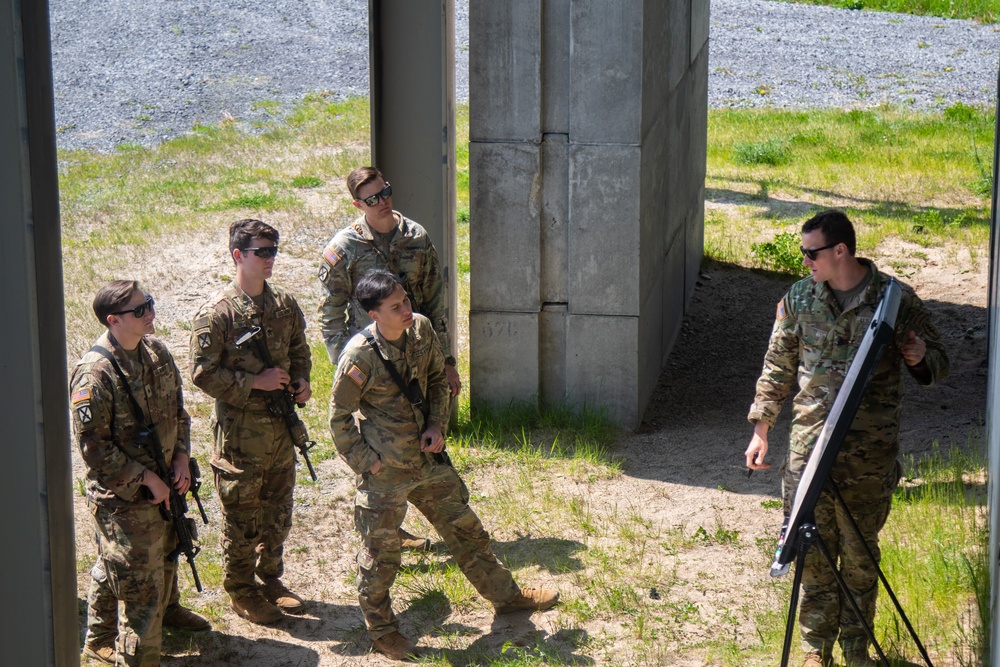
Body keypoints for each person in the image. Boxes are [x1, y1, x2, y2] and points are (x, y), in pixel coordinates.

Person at [744, 210, 949, 667]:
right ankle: (815, 653)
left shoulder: (893, 300)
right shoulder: (800, 297)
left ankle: (857, 652)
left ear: (841, 250)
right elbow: (777, 366)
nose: (804, 262)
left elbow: (939, 362)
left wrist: (918, 356)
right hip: (809, 451)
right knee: (811, 553)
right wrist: (762, 430)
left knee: (860, 559)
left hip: (867, 455)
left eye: (810, 253)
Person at [329, 269, 559, 661]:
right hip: (387, 474)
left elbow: (438, 379)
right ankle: (383, 633)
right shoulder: (359, 356)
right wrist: (368, 464)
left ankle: (508, 598)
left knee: (467, 530)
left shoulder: (419, 329)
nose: (406, 309)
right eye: (395, 306)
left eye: (405, 299)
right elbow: (338, 417)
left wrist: (438, 424)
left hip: (428, 461)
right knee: (380, 557)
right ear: (374, 315)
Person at [318, 165, 460, 551]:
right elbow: (331, 316)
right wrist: (348, 369)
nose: (382, 202)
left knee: (417, 437)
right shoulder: (344, 248)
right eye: (371, 198)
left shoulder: (416, 236)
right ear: (357, 204)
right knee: (380, 449)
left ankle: (405, 518)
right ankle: (383, 527)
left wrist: (446, 361)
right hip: (372, 366)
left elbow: (434, 303)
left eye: (385, 192)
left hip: (416, 355)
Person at [190, 218, 312, 625]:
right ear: (238, 255)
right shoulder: (216, 314)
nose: (270, 259)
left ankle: (270, 579)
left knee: (279, 510)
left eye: (274, 251)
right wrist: (253, 382)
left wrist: (301, 380)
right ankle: (241, 590)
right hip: (241, 433)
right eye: (262, 252)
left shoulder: (284, 305)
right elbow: (203, 374)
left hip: (280, 428)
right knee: (242, 515)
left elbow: (299, 347)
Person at [72, 281, 195, 666]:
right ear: (114, 320)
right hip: (124, 497)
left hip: (166, 480)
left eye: (150, 305)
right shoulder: (94, 376)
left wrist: (181, 456)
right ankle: (141, 655)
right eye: (140, 310)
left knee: (160, 552)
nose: (150, 314)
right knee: (138, 583)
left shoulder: (156, 352)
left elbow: (179, 411)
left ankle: (163, 614)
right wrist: (146, 478)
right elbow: (95, 451)